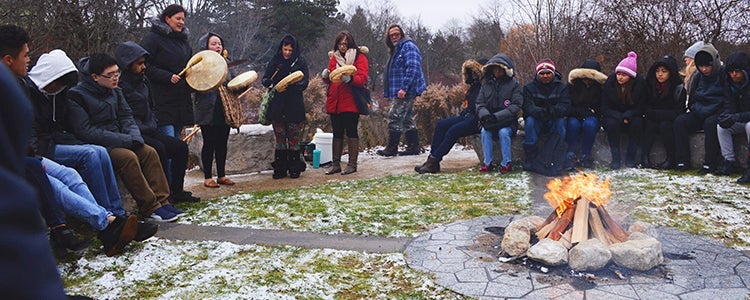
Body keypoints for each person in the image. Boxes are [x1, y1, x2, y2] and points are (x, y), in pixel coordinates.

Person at [67, 53, 182, 222]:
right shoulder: (77, 96)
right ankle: (150, 207)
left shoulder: (115, 91)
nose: (115, 78)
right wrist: (124, 140)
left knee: (149, 152)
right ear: (95, 77)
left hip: (122, 137)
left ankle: (164, 201)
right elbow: (86, 130)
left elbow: (127, 116)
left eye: (117, 73)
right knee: (127, 157)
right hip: (99, 144)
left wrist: (134, 137)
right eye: (110, 75)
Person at [0, 60, 67, 300]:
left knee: (69, 173)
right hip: (34, 158)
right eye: (25, 54)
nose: (29, 59)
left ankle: (107, 220)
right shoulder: (15, 88)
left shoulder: (23, 86)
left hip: (35, 156)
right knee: (51, 179)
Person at [116, 41, 200, 202]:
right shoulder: (121, 86)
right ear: (128, 65)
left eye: (144, 63)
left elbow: (151, 105)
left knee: (180, 147)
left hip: (150, 128)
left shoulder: (143, 81)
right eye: (139, 64)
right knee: (159, 149)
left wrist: (152, 121)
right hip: (134, 133)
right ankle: (164, 194)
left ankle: (177, 191)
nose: (144, 67)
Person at [415, 58, 484, 174]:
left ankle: (435, 159)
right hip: (468, 115)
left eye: (475, 72)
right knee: (441, 124)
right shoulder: (474, 86)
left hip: (479, 119)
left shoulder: (486, 86)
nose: (474, 75)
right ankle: (432, 160)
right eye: (471, 72)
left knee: (454, 130)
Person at [140, 4, 193, 140]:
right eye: (178, 18)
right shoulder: (152, 39)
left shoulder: (184, 42)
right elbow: (142, 65)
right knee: (168, 143)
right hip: (160, 100)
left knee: (177, 144)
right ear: (167, 18)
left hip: (180, 100)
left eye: (183, 19)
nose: (181, 22)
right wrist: (167, 76)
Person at [321, 30, 369, 175]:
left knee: (351, 131)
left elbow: (363, 78)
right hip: (335, 100)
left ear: (350, 44)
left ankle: (352, 164)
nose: (343, 46)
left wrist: (351, 79)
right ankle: (336, 164)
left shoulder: (359, 58)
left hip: (351, 101)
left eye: (345, 44)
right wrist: (325, 77)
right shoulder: (334, 58)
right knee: (337, 132)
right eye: (340, 43)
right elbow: (331, 77)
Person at [262, 34, 309, 179]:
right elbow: (265, 78)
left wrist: (292, 85)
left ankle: (294, 168)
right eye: (285, 49)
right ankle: (280, 168)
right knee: (280, 139)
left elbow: (305, 82)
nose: (287, 52)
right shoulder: (275, 61)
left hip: (294, 105)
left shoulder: (300, 62)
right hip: (278, 106)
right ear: (281, 48)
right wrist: (270, 83)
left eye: (290, 50)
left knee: (294, 138)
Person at [193, 32, 236, 187]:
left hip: (224, 108)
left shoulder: (227, 63)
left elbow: (233, 82)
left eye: (219, 43)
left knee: (222, 143)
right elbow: (194, 85)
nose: (217, 46)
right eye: (213, 43)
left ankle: (222, 175)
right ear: (205, 46)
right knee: (209, 142)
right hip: (207, 109)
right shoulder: (199, 65)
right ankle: (208, 177)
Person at [377, 24, 427, 157]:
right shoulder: (396, 50)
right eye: (391, 35)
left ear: (402, 34)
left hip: (407, 89)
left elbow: (413, 68)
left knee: (394, 116)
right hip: (400, 89)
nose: (394, 37)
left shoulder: (408, 47)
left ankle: (391, 148)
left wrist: (404, 88)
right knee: (407, 119)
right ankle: (413, 147)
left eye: (396, 34)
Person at [674, 44, 724, 173]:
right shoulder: (698, 77)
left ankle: (710, 162)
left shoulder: (723, 75)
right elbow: (692, 100)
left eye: (707, 66)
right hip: (699, 111)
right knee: (680, 121)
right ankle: (682, 160)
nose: (704, 69)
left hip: (716, 112)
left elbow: (726, 99)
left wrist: (712, 111)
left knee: (710, 124)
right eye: (701, 66)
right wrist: (697, 109)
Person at [475, 53, 523, 173]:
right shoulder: (486, 85)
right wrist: (485, 115)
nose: (497, 71)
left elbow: (515, 105)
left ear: (505, 70)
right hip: (489, 121)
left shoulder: (514, 85)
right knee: (485, 132)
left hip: (507, 121)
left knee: (503, 133)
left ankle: (506, 163)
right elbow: (480, 103)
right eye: (494, 68)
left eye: (500, 68)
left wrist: (496, 117)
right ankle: (488, 162)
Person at [521, 59, 570, 170]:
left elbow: (565, 106)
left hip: (554, 119)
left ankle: (558, 157)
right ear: (538, 74)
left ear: (553, 73)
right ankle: (530, 158)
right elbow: (527, 107)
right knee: (530, 122)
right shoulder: (529, 88)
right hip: (537, 119)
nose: (545, 76)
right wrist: (540, 112)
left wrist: (552, 111)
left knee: (560, 122)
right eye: (542, 73)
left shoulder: (562, 88)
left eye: (548, 73)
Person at [601, 51, 647, 169]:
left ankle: (631, 158)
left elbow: (641, 107)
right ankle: (616, 158)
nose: (620, 77)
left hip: (632, 115)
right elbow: (605, 107)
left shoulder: (639, 85)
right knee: (612, 125)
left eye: (624, 75)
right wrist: (619, 116)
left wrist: (629, 114)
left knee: (637, 124)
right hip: (613, 115)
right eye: (619, 74)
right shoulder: (610, 83)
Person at [642, 56, 686, 169]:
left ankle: (670, 159)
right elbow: (645, 105)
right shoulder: (650, 85)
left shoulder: (677, 88)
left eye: (664, 71)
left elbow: (679, 111)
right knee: (649, 125)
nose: (660, 74)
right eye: (657, 71)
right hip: (652, 118)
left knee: (665, 126)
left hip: (668, 119)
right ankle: (644, 157)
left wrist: (658, 114)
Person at [565, 59, 607, 168]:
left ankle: (586, 155)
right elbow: (567, 106)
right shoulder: (572, 86)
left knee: (589, 124)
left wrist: (591, 112)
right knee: (573, 124)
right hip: (574, 115)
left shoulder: (600, 89)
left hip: (592, 117)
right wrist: (585, 111)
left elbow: (601, 108)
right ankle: (570, 154)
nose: (587, 81)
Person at [716, 51, 750, 181]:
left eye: (737, 71)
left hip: (747, 121)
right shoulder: (729, 84)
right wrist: (726, 116)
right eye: (730, 71)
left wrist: (735, 117)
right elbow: (729, 105)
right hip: (741, 118)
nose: (733, 74)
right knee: (722, 127)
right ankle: (729, 161)